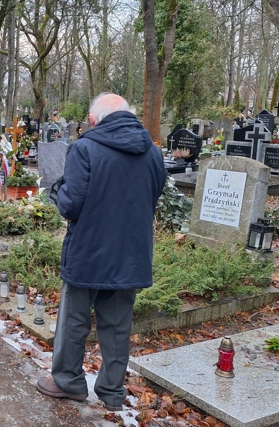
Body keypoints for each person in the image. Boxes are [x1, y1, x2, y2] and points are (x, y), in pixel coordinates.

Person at [36, 93, 166, 411]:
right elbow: (155, 191)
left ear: (94, 120)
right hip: (131, 253)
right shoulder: (152, 152)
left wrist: (55, 187)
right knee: (118, 326)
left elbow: (70, 205)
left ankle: (69, 382)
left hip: (89, 251)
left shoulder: (85, 148)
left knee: (74, 320)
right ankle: (111, 391)